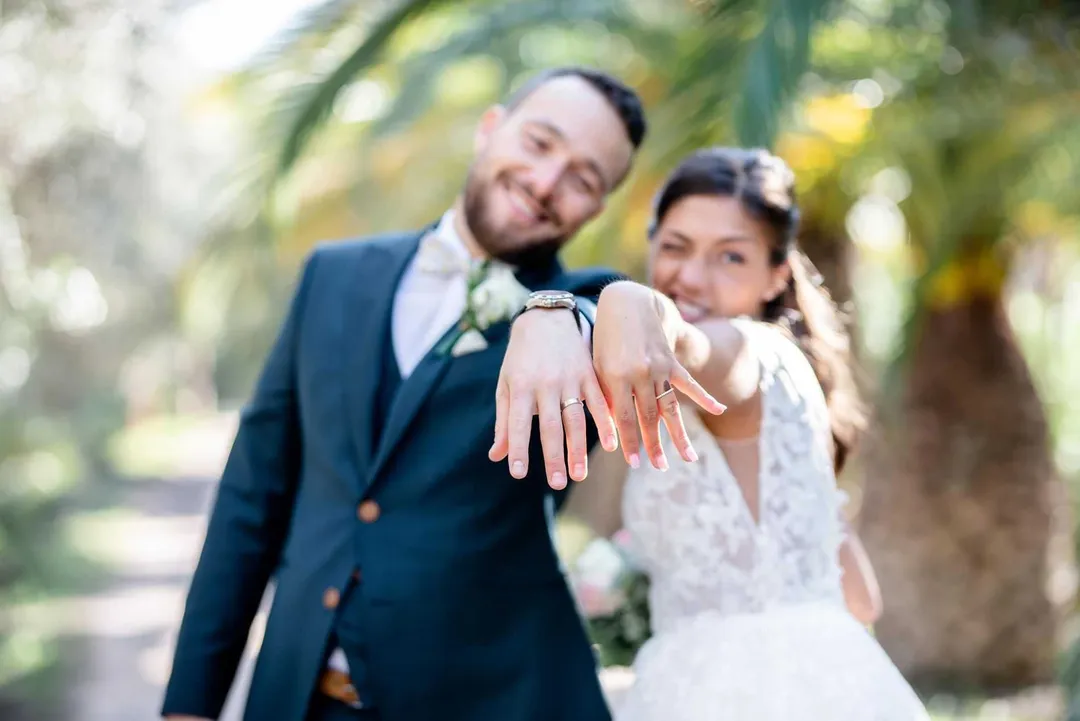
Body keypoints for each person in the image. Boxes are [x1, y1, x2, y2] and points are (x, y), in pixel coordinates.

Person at [161, 67, 719, 721]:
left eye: (582, 179)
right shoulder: (331, 277)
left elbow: (624, 318)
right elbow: (249, 501)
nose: (545, 184)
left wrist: (568, 310)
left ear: (594, 210)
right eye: (539, 144)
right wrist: (190, 703)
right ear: (489, 129)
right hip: (296, 695)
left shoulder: (587, 309)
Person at [496, 147, 931, 719]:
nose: (692, 277)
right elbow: (860, 598)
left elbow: (698, 348)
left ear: (778, 273)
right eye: (675, 248)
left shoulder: (750, 356)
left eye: (731, 256)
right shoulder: (791, 387)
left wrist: (629, 299)